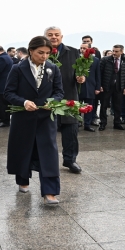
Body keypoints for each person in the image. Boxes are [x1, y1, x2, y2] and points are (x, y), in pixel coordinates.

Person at [4, 36, 63, 205]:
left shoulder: (53, 68)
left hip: (46, 117)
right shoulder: (17, 69)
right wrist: (23, 102)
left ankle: (50, 192)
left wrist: (52, 102)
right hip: (23, 116)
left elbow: (59, 92)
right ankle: (23, 179)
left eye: (47, 53)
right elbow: (8, 93)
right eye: (40, 53)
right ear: (30, 51)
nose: (44, 56)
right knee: (24, 149)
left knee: (48, 153)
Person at [45, 26, 85, 174]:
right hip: (48, 98)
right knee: (47, 131)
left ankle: (70, 160)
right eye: (50, 35)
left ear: (62, 37)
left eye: (57, 35)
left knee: (71, 130)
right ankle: (48, 160)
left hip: (69, 96)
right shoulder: (41, 53)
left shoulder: (73, 52)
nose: (54, 37)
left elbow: (80, 72)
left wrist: (81, 78)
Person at [99, 44, 125, 131]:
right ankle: (103, 123)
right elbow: (100, 73)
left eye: (116, 51)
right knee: (104, 105)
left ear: (121, 52)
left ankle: (117, 123)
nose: (114, 53)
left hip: (119, 87)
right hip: (106, 86)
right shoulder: (105, 60)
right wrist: (100, 85)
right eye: (113, 51)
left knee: (118, 106)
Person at [78, 43, 100, 132]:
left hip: (90, 86)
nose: (82, 50)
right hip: (79, 87)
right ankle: (78, 122)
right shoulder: (77, 59)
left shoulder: (95, 60)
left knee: (89, 106)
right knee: (77, 106)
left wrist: (97, 87)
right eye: (81, 48)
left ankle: (87, 124)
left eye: (84, 48)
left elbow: (98, 74)